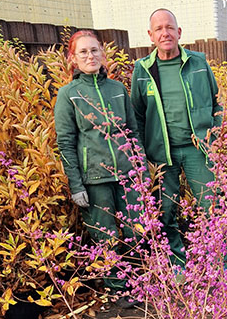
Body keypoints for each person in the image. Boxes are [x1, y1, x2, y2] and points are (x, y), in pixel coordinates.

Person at [54, 30, 141, 308]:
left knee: (136, 230)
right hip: (95, 179)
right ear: (73, 58)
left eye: (94, 50)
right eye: (83, 52)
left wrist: (141, 170)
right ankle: (119, 291)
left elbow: (132, 131)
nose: (90, 56)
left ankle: (140, 281)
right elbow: (65, 143)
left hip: (128, 176)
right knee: (106, 237)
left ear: (103, 54)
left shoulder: (117, 89)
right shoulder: (69, 95)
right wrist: (76, 185)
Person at [131, 9, 222, 268]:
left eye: (169, 27)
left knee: (211, 205)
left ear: (179, 32)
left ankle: (220, 263)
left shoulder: (198, 62)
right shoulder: (142, 70)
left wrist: (213, 133)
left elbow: (217, 103)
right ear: (150, 35)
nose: (165, 32)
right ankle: (177, 264)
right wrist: (141, 155)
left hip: (198, 150)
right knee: (166, 211)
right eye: (158, 29)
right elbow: (137, 116)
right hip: (162, 153)